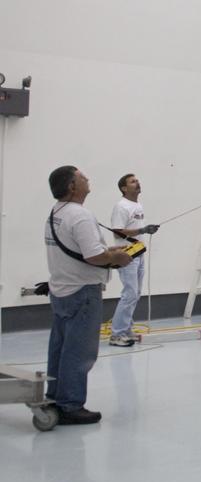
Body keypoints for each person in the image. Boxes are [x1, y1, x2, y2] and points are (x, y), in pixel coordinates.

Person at [43, 165, 134, 425]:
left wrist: (110, 251)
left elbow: (81, 249)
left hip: (61, 289)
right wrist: (118, 258)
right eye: (82, 177)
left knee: (60, 347)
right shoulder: (80, 216)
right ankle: (70, 405)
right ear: (72, 186)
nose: (87, 179)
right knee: (80, 351)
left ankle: (54, 396)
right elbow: (94, 256)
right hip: (82, 291)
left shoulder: (56, 213)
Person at [108, 173, 160, 346]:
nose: (137, 183)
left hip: (138, 253)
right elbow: (117, 231)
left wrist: (146, 230)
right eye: (132, 181)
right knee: (129, 293)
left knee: (135, 294)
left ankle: (126, 329)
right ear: (124, 188)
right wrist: (142, 230)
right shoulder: (121, 206)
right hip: (126, 255)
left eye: (137, 180)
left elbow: (134, 229)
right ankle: (116, 334)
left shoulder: (137, 205)